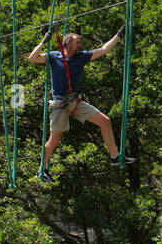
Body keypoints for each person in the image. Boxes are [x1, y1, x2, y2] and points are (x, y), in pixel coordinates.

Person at [27, 26, 136, 182]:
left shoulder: (81, 57)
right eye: (77, 42)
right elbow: (32, 57)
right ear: (68, 44)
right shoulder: (53, 56)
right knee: (54, 139)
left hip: (74, 101)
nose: (80, 45)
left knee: (105, 121)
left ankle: (114, 156)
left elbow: (104, 49)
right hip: (59, 103)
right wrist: (44, 41)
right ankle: (41, 170)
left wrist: (118, 35)